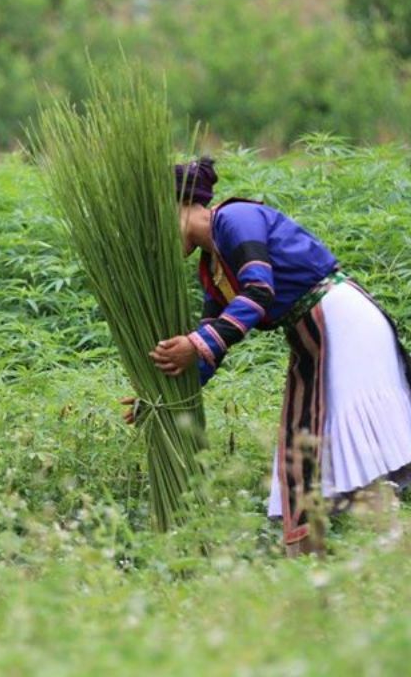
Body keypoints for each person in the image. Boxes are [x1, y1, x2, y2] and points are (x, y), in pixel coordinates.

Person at [141, 157, 411, 555]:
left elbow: (258, 292)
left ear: (177, 205)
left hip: (343, 322)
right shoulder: (212, 267)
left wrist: (197, 342)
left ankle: (387, 555)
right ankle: (310, 569)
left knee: (357, 440)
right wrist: (157, 395)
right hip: (312, 335)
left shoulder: (236, 219)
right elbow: (212, 346)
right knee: (300, 450)